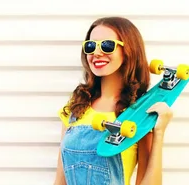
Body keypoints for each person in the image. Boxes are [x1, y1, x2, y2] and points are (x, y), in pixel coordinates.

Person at [52, 16, 174, 185]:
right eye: (90, 45)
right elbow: (60, 180)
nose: (96, 52)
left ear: (128, 50)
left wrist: (159, 133)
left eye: (107, 45)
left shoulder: (138, 112)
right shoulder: (76, 107)